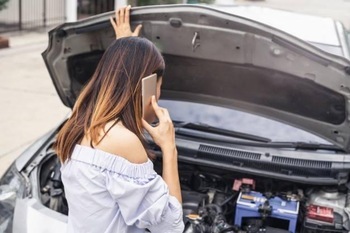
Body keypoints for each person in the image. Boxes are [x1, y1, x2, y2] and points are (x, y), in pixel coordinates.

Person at [55, 6, 184, 233]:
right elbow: (170, 226)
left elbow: (114, 81)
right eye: (159, 86)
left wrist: (125, 49)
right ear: (147, 88)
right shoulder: (124, 142)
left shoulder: (78, 117)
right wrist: (169, 148)